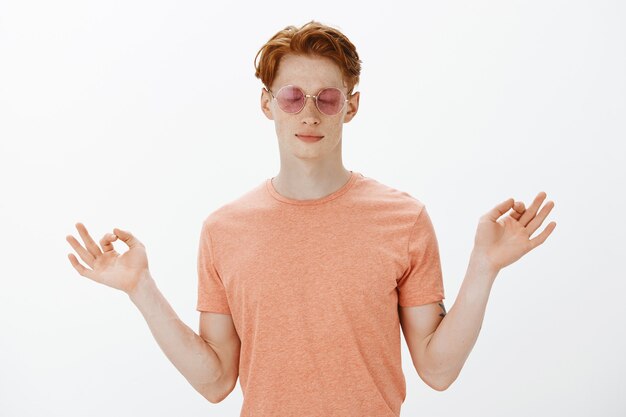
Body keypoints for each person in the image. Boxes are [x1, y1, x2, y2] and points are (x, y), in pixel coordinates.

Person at [65, 20, 557, 417]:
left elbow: (438, 370)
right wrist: (140, 288)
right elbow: (215, 382)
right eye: (292, 97)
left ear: (351, 107)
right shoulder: (223, 230)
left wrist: (484, 265)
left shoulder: (403, 220)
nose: (309, 114)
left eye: (327, 98)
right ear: (267, 104)